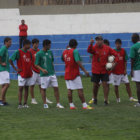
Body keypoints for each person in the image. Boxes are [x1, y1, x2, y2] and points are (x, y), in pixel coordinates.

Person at [62, 39, 93, 110]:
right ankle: (84, 105)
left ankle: (71, 105)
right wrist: (85, 71)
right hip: (74, 73)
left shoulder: (64, 51)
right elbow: (78, 61)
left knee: (69, 90)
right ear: (75, 45)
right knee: (80, 89)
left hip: (67, 73)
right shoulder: (74, 51)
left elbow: (63, 59)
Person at [87, 36, 118, 105]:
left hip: (104, 70)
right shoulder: (94, 47)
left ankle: (105, 100)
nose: (98, 41)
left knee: (105, 85)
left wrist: (114, 64)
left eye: (99, 40)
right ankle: (95, 98)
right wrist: (91, 44)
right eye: (97, 40)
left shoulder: (107, 48)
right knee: (95, 85)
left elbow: (116, 55)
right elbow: (89, 50)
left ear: (102, 41)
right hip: (96, 70)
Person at [35, 39, 64, 109]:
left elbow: (51, 62)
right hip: (44, 75)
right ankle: (45, 104)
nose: (50, 46)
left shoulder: (50, 52)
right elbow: (36, 64)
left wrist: (53, 71)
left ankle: (58, 103)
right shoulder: (39, 53)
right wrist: (42, 70)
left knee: (56, 88)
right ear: (45, 45)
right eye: (49, 45)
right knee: (43, 89)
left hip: (52, 74)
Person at [9, 39, 32, 109]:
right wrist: (15, 68)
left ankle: (25, 103)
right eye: (29, 44)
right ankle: (19, 104)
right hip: (21, 74)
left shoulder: (29, 53)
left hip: (28, 73)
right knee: (20, 88)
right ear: (25, 44)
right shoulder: (18, 52)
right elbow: (10, 60)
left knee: (27, 88)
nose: (30, 46)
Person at [29, 39, 53, 104]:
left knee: (42, 86)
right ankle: (33, 99)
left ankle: (45, 98)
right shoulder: (30, 51)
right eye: (36, 44)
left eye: (38, 43)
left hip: (39, 71)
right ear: (33, 44)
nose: (37, 45)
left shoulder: (40, 51)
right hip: (33, 71)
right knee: (32, 85)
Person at [0, 37, 12, 106]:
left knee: (4, 85)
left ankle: (3, 101)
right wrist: (1, 63)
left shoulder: (6, 49)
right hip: (3, 69)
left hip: (4, 69)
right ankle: (1, 100)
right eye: (9, 42)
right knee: (7, 84)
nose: (11, 43)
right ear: (6, 42)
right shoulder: (3, 48)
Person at [130, 33, 140, 107]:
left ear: (135, 39)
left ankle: (139, 102)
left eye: (132, 38)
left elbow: (132, 59)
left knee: (138, 86)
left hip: (137, 68)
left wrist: (131, 70)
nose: (131, 40)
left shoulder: (133, 47)